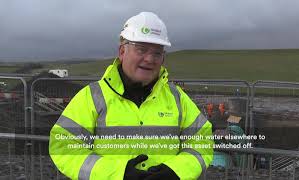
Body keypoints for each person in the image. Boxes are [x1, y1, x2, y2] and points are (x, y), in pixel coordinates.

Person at [49, 12, 213, 180]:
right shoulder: (92, 97)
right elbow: (63, 146)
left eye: (157, 53)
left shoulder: (177, 98)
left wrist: (177, 171)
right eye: (141, 49)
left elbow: (202, 142)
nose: (149, 59)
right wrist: (117, 174)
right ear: (122, 51)